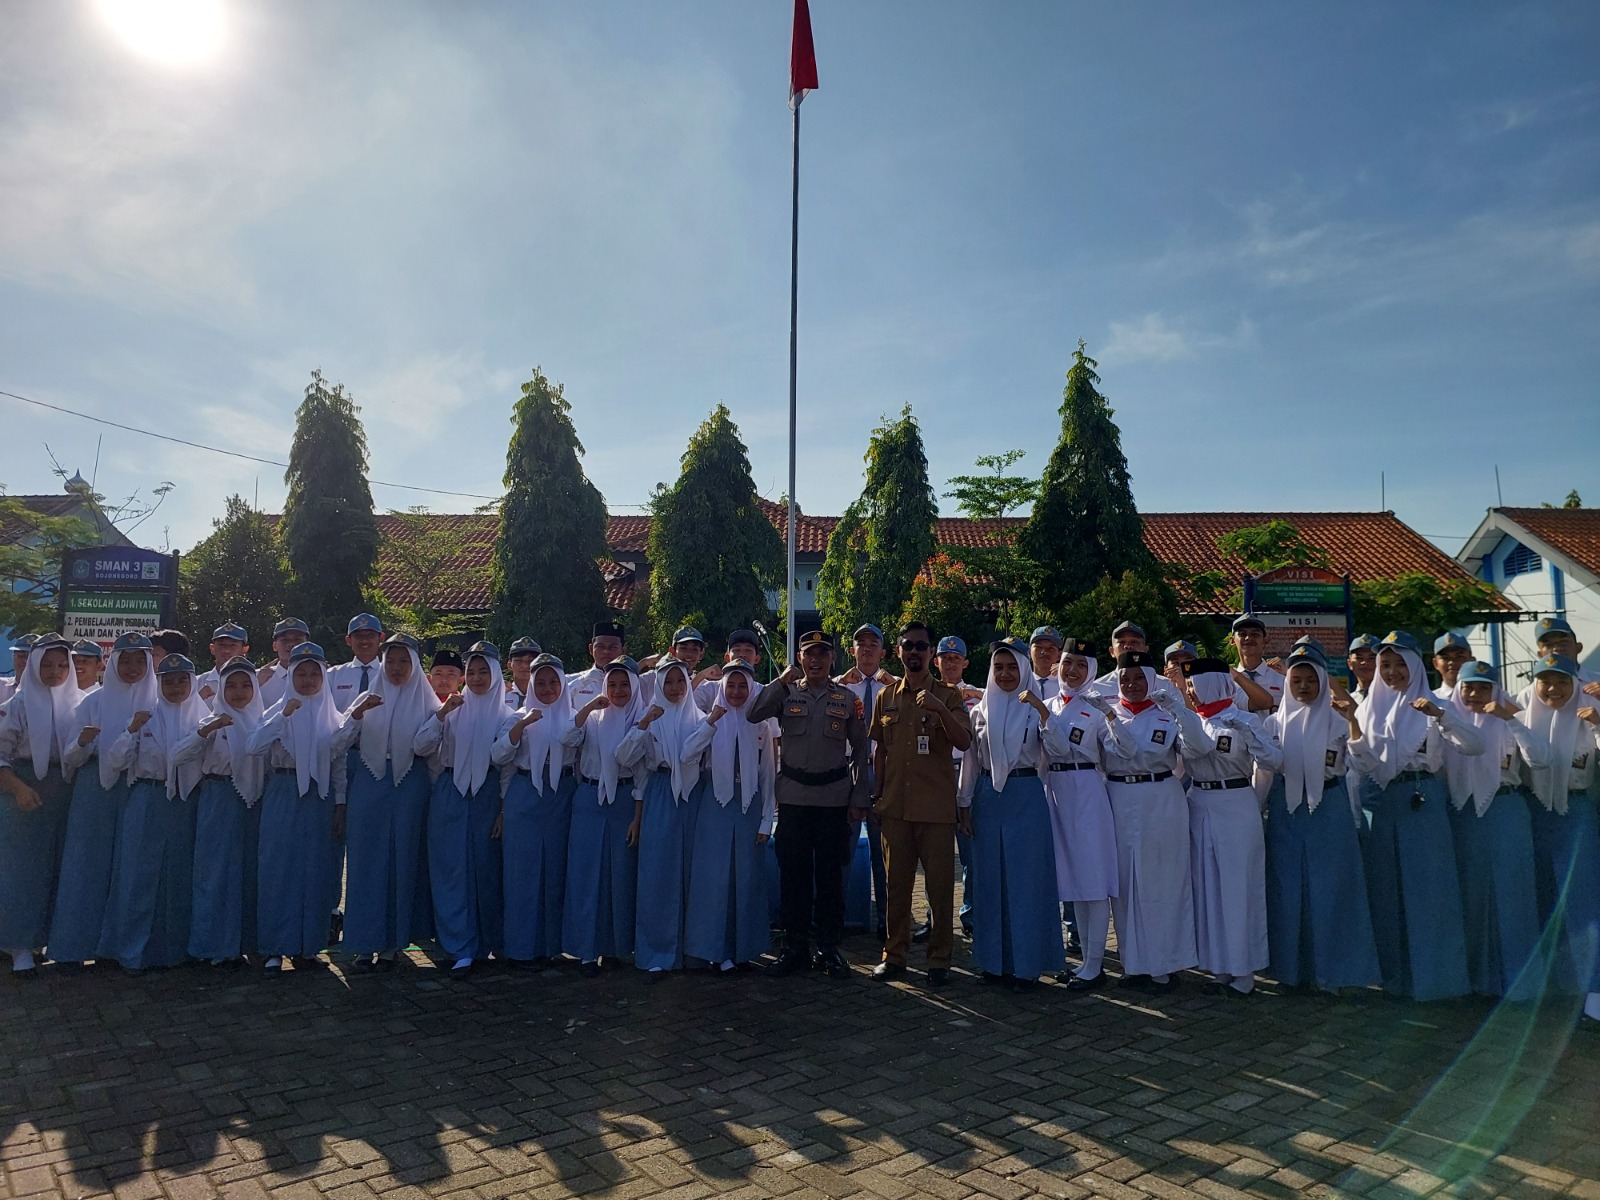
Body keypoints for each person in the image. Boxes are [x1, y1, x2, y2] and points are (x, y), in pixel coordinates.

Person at [1350, 631, 1481, 1000]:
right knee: (1387, 890)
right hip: (1382, 802)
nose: (1392, 672)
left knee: (1430, 891)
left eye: (1400, 664)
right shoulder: (1368, 709)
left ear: (1415, 665)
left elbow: (1475, 745)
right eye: (1385, 664)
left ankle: (1436, 980)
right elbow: (1359, 766)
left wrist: (1441, 717)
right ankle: (1394, 979)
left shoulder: (1437, 703)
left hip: (1423, 799)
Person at [747, 630, 869, 979]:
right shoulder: (787, 694)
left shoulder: (847, 699)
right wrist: (780, 682)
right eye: (809, 654)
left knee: (831, 877)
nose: (815, 660)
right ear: (799, 658)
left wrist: (860, 797)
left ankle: (829, 948)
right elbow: (754, 713)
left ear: (833, 658)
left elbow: (861, 749)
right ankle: (795, 947)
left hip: (833, 799)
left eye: (822, 654)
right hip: (794, 798)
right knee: (793, 876)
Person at [1262, 644, 1380, 994]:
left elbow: (1365, 764)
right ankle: (1290, 972)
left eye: (1311, 680)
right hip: (1287, 812)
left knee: (1332, 890)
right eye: (1296, 680)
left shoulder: (1338, 720)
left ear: (1323, 681)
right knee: (1288, 890)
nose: (1303, 687)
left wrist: (1354, 723)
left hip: (1328, 809)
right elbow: (1263, 774)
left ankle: (1334, 974)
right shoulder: (1274, 723)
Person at [1092, 649, 1209, 992]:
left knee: (1161, 882)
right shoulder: (1105, 715)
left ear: (1152, 680)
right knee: (1125, 885)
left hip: (1159, 798)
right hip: (1118, 797)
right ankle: (1134, 964)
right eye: (1125, 678)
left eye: (1139, 678)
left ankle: (1164, 966)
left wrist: (1180, 709)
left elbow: (1198, 748)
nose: (1131, 684)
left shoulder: (1166, 714)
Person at [958, 637, 1064, 986]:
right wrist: (964, 804)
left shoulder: (1036, 709)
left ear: (1024, 670)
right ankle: (994, 963)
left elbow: (1058, 751)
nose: (1005, 674)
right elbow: (971, 762)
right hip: (988, 798)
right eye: (998, 668)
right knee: (990, 881)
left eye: (1012, 668)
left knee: (1026, 883)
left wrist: (1043, 711)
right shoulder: (979, 711)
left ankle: (1027, 966)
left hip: (1026, 794)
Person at [869, 623, 971, 986]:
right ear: (899, 651)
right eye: (908, 645)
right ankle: (894, 955)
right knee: (896, 887)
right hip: (895, 807)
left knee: (940, 889)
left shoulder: (949, 695)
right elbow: (880, 750)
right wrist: (877, 795)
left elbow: (964, 742)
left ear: (930, 653)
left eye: (921, 646)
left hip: (935, 809)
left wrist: (940, 710)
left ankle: (939, 959)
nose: (914, 652)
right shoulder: (886, 696)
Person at [50, 632, 156, 968]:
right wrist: (82, 743)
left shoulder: (157, 702)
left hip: (137, 788)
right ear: (112, 664)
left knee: (129, 868)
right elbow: (70, 757)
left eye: (140, 661)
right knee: (85, 865)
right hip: (94, 787)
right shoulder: (93, 702)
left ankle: (116, 948)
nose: (133, 668)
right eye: (126, 661)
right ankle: (73, 948)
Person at [1179, 657, 1283, 997]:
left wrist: (1249, 732)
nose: (1190, 691)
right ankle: (1219, 966)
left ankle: (1244, 970)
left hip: (1235, 802)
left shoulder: (1243, 719)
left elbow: (1273, 760)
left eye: (1195, 684)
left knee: (1238, 889)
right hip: (1199, 802)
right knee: (1208, 887)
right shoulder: (1193, 720)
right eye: (1188, 685)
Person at [99, 652, 206, 973]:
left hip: (186, 801)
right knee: (138, 875)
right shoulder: (145, 716)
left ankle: (176, 950)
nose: (175, 688)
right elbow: (115, 761)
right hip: (147, 797)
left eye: (182, 681)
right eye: (168, 681)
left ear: (193, 683)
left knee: (178, 876)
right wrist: (131, 730)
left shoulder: (203, 717)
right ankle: (131, 951)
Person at [1443, 661, 1543, 1000]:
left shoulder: (1511, 719)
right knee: (1472, 897)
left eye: (1483, 687)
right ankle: (1477, 979)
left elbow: (1540, 759)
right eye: (1468, 687)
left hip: (1506, 810)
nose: (1475, 694)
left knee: (1513, 896)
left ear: (1495, 690)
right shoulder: (1446, 722)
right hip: (1464, 812)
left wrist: (1510, 720)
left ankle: (1519, 982)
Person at [248, 643, 350, 973]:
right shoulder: (276, 711)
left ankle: (308, 946)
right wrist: (284, 715)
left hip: (320, 797)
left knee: (316, 870)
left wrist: (340, 803)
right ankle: (275, 946)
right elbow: (254, 747)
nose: (307, 680)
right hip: (283, 791)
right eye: (301, 673)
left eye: (313, 674)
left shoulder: (331, 716)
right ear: (290, 676)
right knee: (279, 868)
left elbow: (338, 765)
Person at [341, 632, 440, 971]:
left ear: (415, 665)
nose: (396, 668)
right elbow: (339, 741)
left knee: (403, 860)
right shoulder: (367, 697)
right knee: (366, 860)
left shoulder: (428, 703)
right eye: (391, 661)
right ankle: (363, 941)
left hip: (410, 782)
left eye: (404, 661)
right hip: (370, 781)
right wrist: (357, 715)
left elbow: (428, 751)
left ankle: (393, 944)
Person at [416, 642, 513, 979]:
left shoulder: (507, 715)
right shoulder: (451, 709)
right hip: (450, 791)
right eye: (471, 672)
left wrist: (503, 809)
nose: (477, 678)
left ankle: (487, 940)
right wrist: (442, 714)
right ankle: (458, 946)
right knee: (451, 869)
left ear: (496, 675)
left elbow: (507, 767)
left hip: (488, 793)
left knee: (486, 868)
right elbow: (421, 746)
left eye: (484, 672)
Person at [1516, 652, 1600, 1020]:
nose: (1553, 688)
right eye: (1545, 681)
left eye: (1563, 681)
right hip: (1532, 814)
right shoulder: (1521, 716)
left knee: (1583, 903)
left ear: (1575, 683)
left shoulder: (1589, 714)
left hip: (1575, 813)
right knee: (1540, 900)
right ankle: (1552, 986)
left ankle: (1592, 991)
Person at [683, 658, 776, 972]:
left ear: (751, 689)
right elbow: (687, 754)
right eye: (730, 685)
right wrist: (710, 722)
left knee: (746, 878)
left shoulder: (761, 724)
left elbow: (767, 774)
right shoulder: (709, 719)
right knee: (714, 880)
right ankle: (712, 950)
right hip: (714, 805)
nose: (736, 692)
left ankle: (742, 950)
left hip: (748, 806)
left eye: (742, 686)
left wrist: (766, 819)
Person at [0, 634, 82, 976]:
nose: (55, 672)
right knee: (22, 870)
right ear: (33, 665)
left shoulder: (79, 704)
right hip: (23, 790)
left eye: (62, 665)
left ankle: (48, 939)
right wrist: (18, 788)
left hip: (64, 791)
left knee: (58, 867)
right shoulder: (16, 705)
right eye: (47, 665)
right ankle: (17, 944)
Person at [178, 656, 267, 968]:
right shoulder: (211, 721)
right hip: (218, 797)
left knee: (249, 871)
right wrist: (206, 731)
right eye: (231, 686)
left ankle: (248, 942)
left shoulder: (263, 721)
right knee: (215, 872)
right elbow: (178, 755)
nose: (239, 692)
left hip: (254, 802)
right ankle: (214, 946)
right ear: (220, 690)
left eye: (245, 685)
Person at [561, 657, 646, 975]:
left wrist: (637, 817)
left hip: (624, 800)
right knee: (586, 874)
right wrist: (588, 709)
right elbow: (567, 738)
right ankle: (586, 950)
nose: (619, 690)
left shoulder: (641, 719)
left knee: (619, 875)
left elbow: (642, 776)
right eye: (612, 684)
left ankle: (614, 947)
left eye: (625, 684)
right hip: (589, 797)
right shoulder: (592, 718)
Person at [1043, 639, 1119, 991]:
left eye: (1081, 665)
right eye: (1067, 663)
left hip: (1086, 789)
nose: (1072, 671)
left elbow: (1114, 751)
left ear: (1091, 671)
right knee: (1073, 880)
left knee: (1093, 880)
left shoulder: (1097, 707)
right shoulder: (1048, 704)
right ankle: (1084, 961)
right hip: (1055, 791)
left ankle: (1095, 964)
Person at [624, 660, 707, 977]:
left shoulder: (699, 718)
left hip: (693, 794)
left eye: (680, 681)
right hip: (660, 790)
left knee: (693, 871)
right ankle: (656, 952)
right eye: (668, 682)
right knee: (658, 872)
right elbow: (628, 760)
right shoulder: (650, 717)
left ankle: (693, 950)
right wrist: (644, 724)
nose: (675, 688)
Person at [493, 652, 574, 967]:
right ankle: (521, 947)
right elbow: (499, 756)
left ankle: (551, 945)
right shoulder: (517, 715)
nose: (547, 688)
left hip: (561, 794)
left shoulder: (574, 716)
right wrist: (522, 726)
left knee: (555, 870)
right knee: (522, 872)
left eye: (553, 682)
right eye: (540, 682)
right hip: (525, 793)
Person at [838, 622, 893, 938]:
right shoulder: (840, 687)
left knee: (884, 852)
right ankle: (839, 919)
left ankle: (887, 921)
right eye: (862, 644)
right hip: (849, 773)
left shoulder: (895, 687)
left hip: (884, 773)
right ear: (852, 651)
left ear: (883, 652)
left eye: (874, 644)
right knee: (843, 851)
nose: (868, 649)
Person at [933, 635, 981, 939]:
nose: (950, 663)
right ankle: (934, 919)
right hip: (935, 775)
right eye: (945, 658)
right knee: (934, 856)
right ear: (936, 662)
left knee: (970, 854)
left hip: (967, 774)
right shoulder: (925, 693)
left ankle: (971, 915)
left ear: (965, 663)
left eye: (955, 658)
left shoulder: (979, 696)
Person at [327, 614, 385, 713]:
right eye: (358, 636)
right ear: (348, 640)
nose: (364, 641)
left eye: (370, 635)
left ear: (381, 638)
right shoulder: (333, 675)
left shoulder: (389, 674)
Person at [568, 621, 630, 711]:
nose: (606, 651)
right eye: (600, 646)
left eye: (613, 647)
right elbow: (557, 701)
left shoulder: (632, 683)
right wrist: (584, 681)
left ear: (623, 651)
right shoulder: (572, 681)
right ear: (591, 649)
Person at [1231, 614, 1285, 712]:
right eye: (1242, 634)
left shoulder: (1280, 678)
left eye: (1255, 634)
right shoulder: (1226, 680)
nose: (1248, 638)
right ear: (1232, 640)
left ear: (1265, 640)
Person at [256, 618, 311, 711]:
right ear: (274, 646)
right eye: (285, 640)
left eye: (298, 640)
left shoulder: (322, 677)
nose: (291, 644)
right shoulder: (257, 678)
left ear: (307, 645)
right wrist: (254, 687)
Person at [195, 622, 249, 709]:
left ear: (244, 650)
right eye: (221, 645)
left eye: (233, 645)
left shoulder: (255, 682)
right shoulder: (196, 683)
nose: (226, 650)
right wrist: (197, 699)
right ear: (212, 648)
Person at [0, 633, 38, 707]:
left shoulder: (50, 690)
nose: (25, 661)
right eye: (21, 656)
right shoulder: (1, 686)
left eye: (30, 657)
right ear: (13, 658)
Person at [1432, 633, 1473, 700]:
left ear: (1471, 661)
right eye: (1445, 658)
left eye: (1459, 657)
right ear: (1435, 663)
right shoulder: (1430, 700)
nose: (1452, 662)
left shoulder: (1486, 700)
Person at [503, 636, 541, 708]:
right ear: (509, 665)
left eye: (530, 661)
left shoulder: (546, 695)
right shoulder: (501, 695)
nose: (525, 665)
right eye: (518, 661)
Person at [1029, 627, 1063, 701]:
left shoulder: (1066, 685)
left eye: (1051, 648)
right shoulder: (1022, 682)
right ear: (1029, 652)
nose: (1044, 652)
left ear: (1059, 655)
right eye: (1039, 647)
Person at [1347, 634, 1381, 702]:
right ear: (1350, 664)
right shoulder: (1349, 700)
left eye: (1371, 658)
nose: (1365, 662)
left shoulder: (1392, 698)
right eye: (1359, 658)